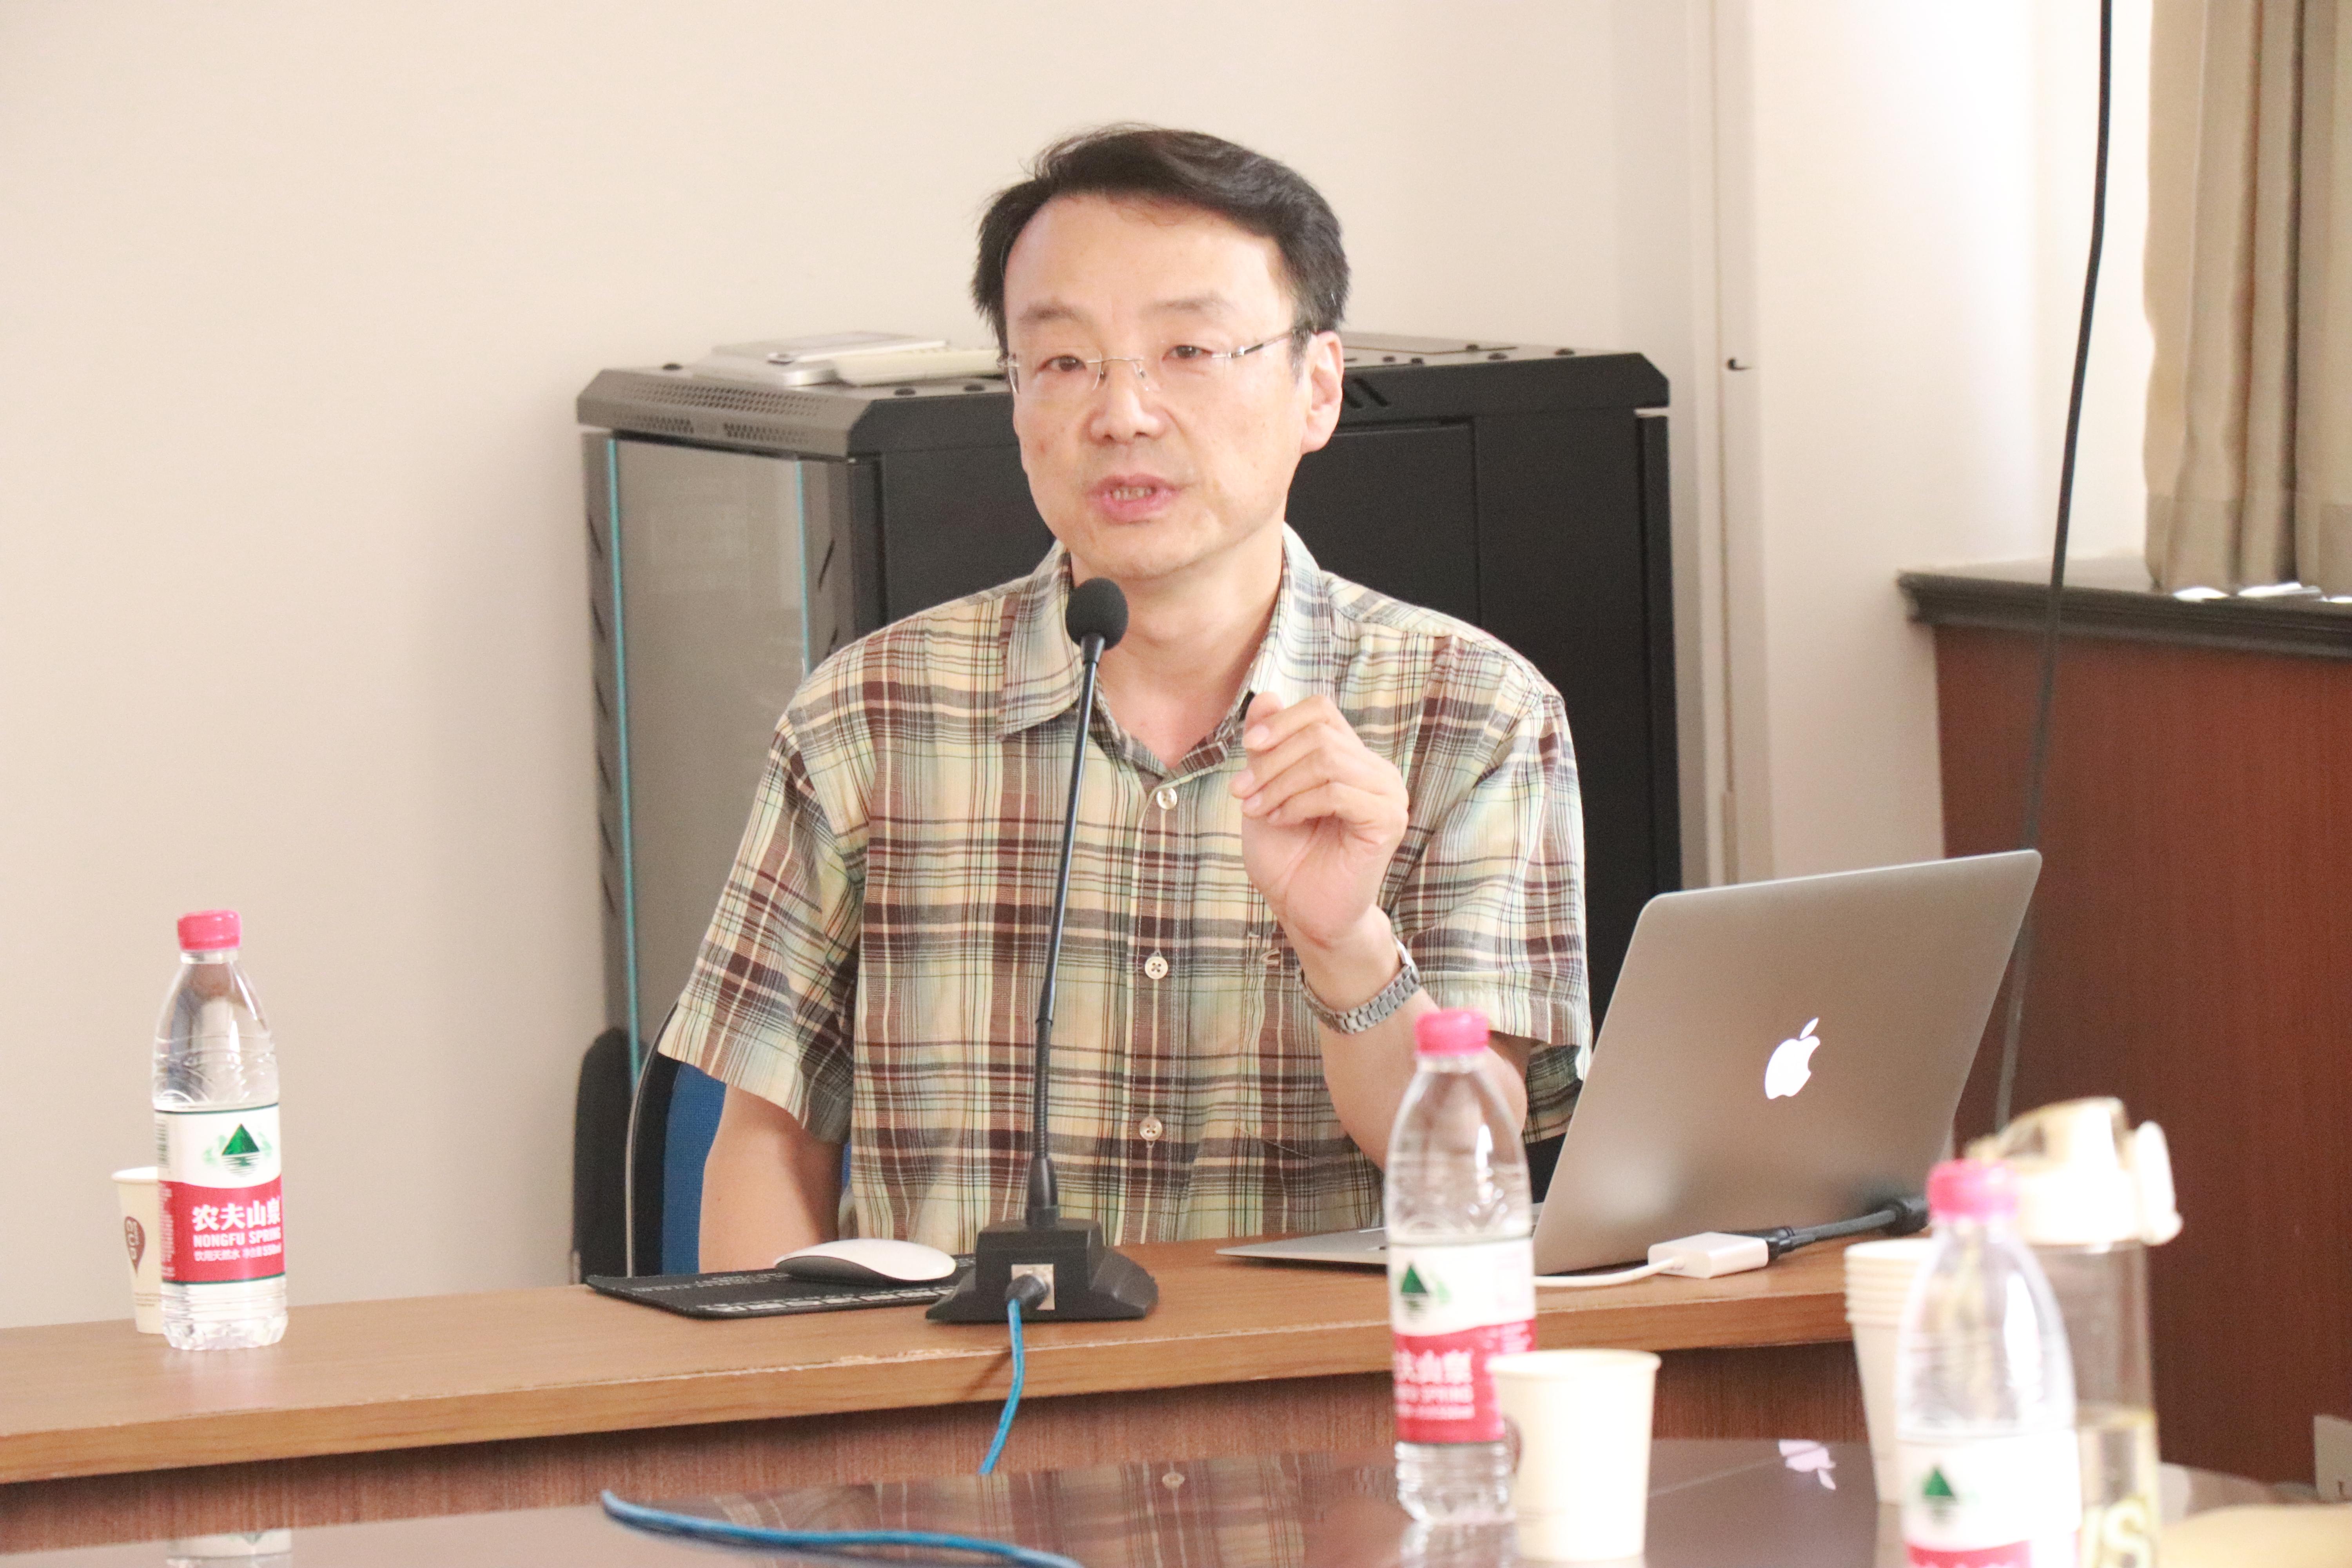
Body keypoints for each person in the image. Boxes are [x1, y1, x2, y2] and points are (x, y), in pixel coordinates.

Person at [662, 127, 1588, 1268]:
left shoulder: (1475, 716)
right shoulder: (867, 718)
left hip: (1319, 1385)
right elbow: (765, 1145)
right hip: (961, 1384)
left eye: (1188, 350)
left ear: (1317, 388)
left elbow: (1480, 1174)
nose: (1123, 413)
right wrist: (798, 1382)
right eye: (1063, 362)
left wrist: (1347, 942)